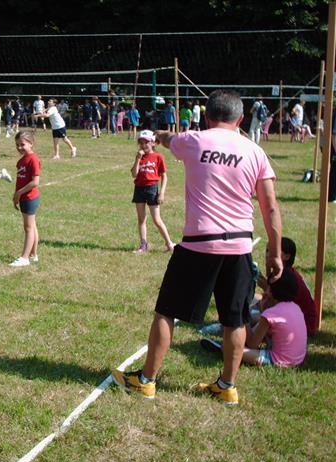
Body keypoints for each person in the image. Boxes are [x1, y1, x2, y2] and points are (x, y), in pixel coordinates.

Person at [112, 90, 282, 406]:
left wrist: (158, 135)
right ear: (241, 119)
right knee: (235, 319)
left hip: (198, 245)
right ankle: (226, 386)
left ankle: (146, 381)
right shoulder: (255, 151)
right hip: (239, 246)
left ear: (206, 117)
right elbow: (270, 206)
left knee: (166, 312)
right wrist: (274, 250)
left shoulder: (194, 140)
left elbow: (168, 139)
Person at [203, 269, 307, 368]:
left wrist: (245, 314)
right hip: (298, 359)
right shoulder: (295, 307)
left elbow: (252, 343)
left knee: (231, 349)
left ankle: (224, 348)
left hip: (278, 360)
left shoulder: (271, 313)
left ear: (270, 290)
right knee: (245, 339)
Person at [255, 237, 318, 336]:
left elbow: (274, 308)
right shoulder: (284, 273)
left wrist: (266, 287)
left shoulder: (286, 278)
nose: (267, 255)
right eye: (267, 250)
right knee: (254, 299)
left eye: (273, 252)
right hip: (294, 318)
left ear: (287, 256)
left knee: (252, 317)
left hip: (303, 326)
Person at [130, 130, 175, 254]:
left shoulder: (158, 157)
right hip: (139, 188)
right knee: (141, 219)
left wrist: (162, 193)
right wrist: (137, 159)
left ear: (153, 143)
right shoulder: (139, 156)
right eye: (141, 142)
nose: (143, 145)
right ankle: (143, 244)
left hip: (152, 189)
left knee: (157, 219)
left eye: (146, 142)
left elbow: (164, 176)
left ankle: (169, 243)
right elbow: (134, 174)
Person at [10, 131, 41, 267]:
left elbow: (35, 182)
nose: (19, 147)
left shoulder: (33, 159)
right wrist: (17, 195)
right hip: (23, 197)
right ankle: (34, 255)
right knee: (32, 226)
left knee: (28, 228)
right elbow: (20, 181)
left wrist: (19, 193)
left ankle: (25, 258)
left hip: (29, 197)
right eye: (17, 145)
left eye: (22, 144)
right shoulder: (21, 160)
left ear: (31, 144)